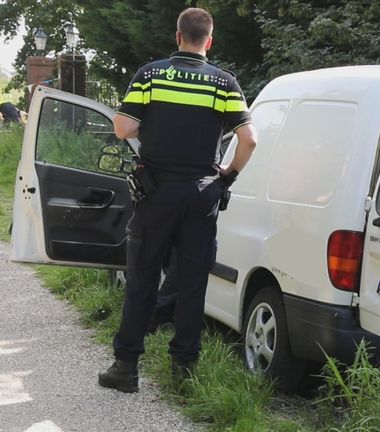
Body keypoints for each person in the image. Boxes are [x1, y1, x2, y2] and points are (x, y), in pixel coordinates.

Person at [98, 7, 257, 393]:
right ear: (210, 41)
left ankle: (126, 368)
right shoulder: (225, 83)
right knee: (191, 283)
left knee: (142, 279)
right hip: (203, 195)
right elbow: (249, 140)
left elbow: (123, 127)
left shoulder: (151, 74)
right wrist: (227, 176)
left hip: (155, 194)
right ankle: (183, 373)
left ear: (178, 36)